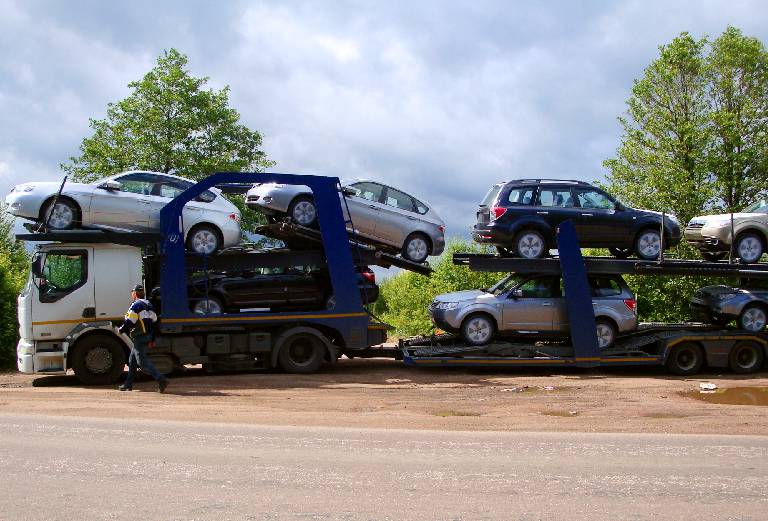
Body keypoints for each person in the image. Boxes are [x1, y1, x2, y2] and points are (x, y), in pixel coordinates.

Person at [118, 284, 168, 392]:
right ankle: (128, 384)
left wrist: (121, 330)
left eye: (132, 292)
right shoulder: (148, 304)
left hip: (139, 336)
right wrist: (152, 338)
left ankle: (161, 379)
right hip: (148, 335)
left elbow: (130, 321)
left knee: (142, 362)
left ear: (135, 294)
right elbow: (154, 321)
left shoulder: (135, 305)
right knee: (132, 360)